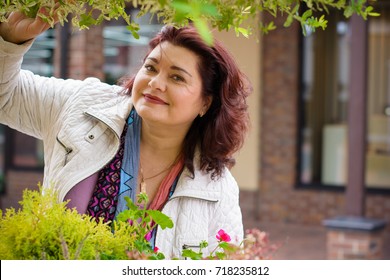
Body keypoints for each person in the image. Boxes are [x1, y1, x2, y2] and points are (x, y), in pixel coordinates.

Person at [0, 10, 252, 259]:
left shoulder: (218, 190)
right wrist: (9, 41)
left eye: (176, 77)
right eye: (151, 68)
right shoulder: (82, 104)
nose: (155, 83)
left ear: (206, 103)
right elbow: (6, 98)